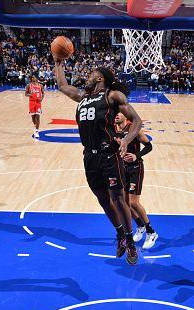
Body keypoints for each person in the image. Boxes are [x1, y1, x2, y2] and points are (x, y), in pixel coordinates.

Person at [53, 58, 142, 265]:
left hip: (109, 153)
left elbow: (137, 121)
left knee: (119, 198)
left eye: (91, 73)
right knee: (103, 200)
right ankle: (120, 234)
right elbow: (62, 86)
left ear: (100, 78)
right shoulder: (83, 97)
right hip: (89, 156)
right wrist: (58, 62)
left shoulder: (112, 96)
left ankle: (130, 241)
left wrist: (127, 140)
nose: (87, 76)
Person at [114, 112, 158, 249]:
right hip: (121, 169)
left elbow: (149, 146)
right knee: (125, 203)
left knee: (133, 202)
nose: (115, 115)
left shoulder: (134, 130)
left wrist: (136, 155)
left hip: (135, 168)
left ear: (125, 116)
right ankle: (140, 226)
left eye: (118, 113)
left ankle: (151, 232)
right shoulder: (113, 130)